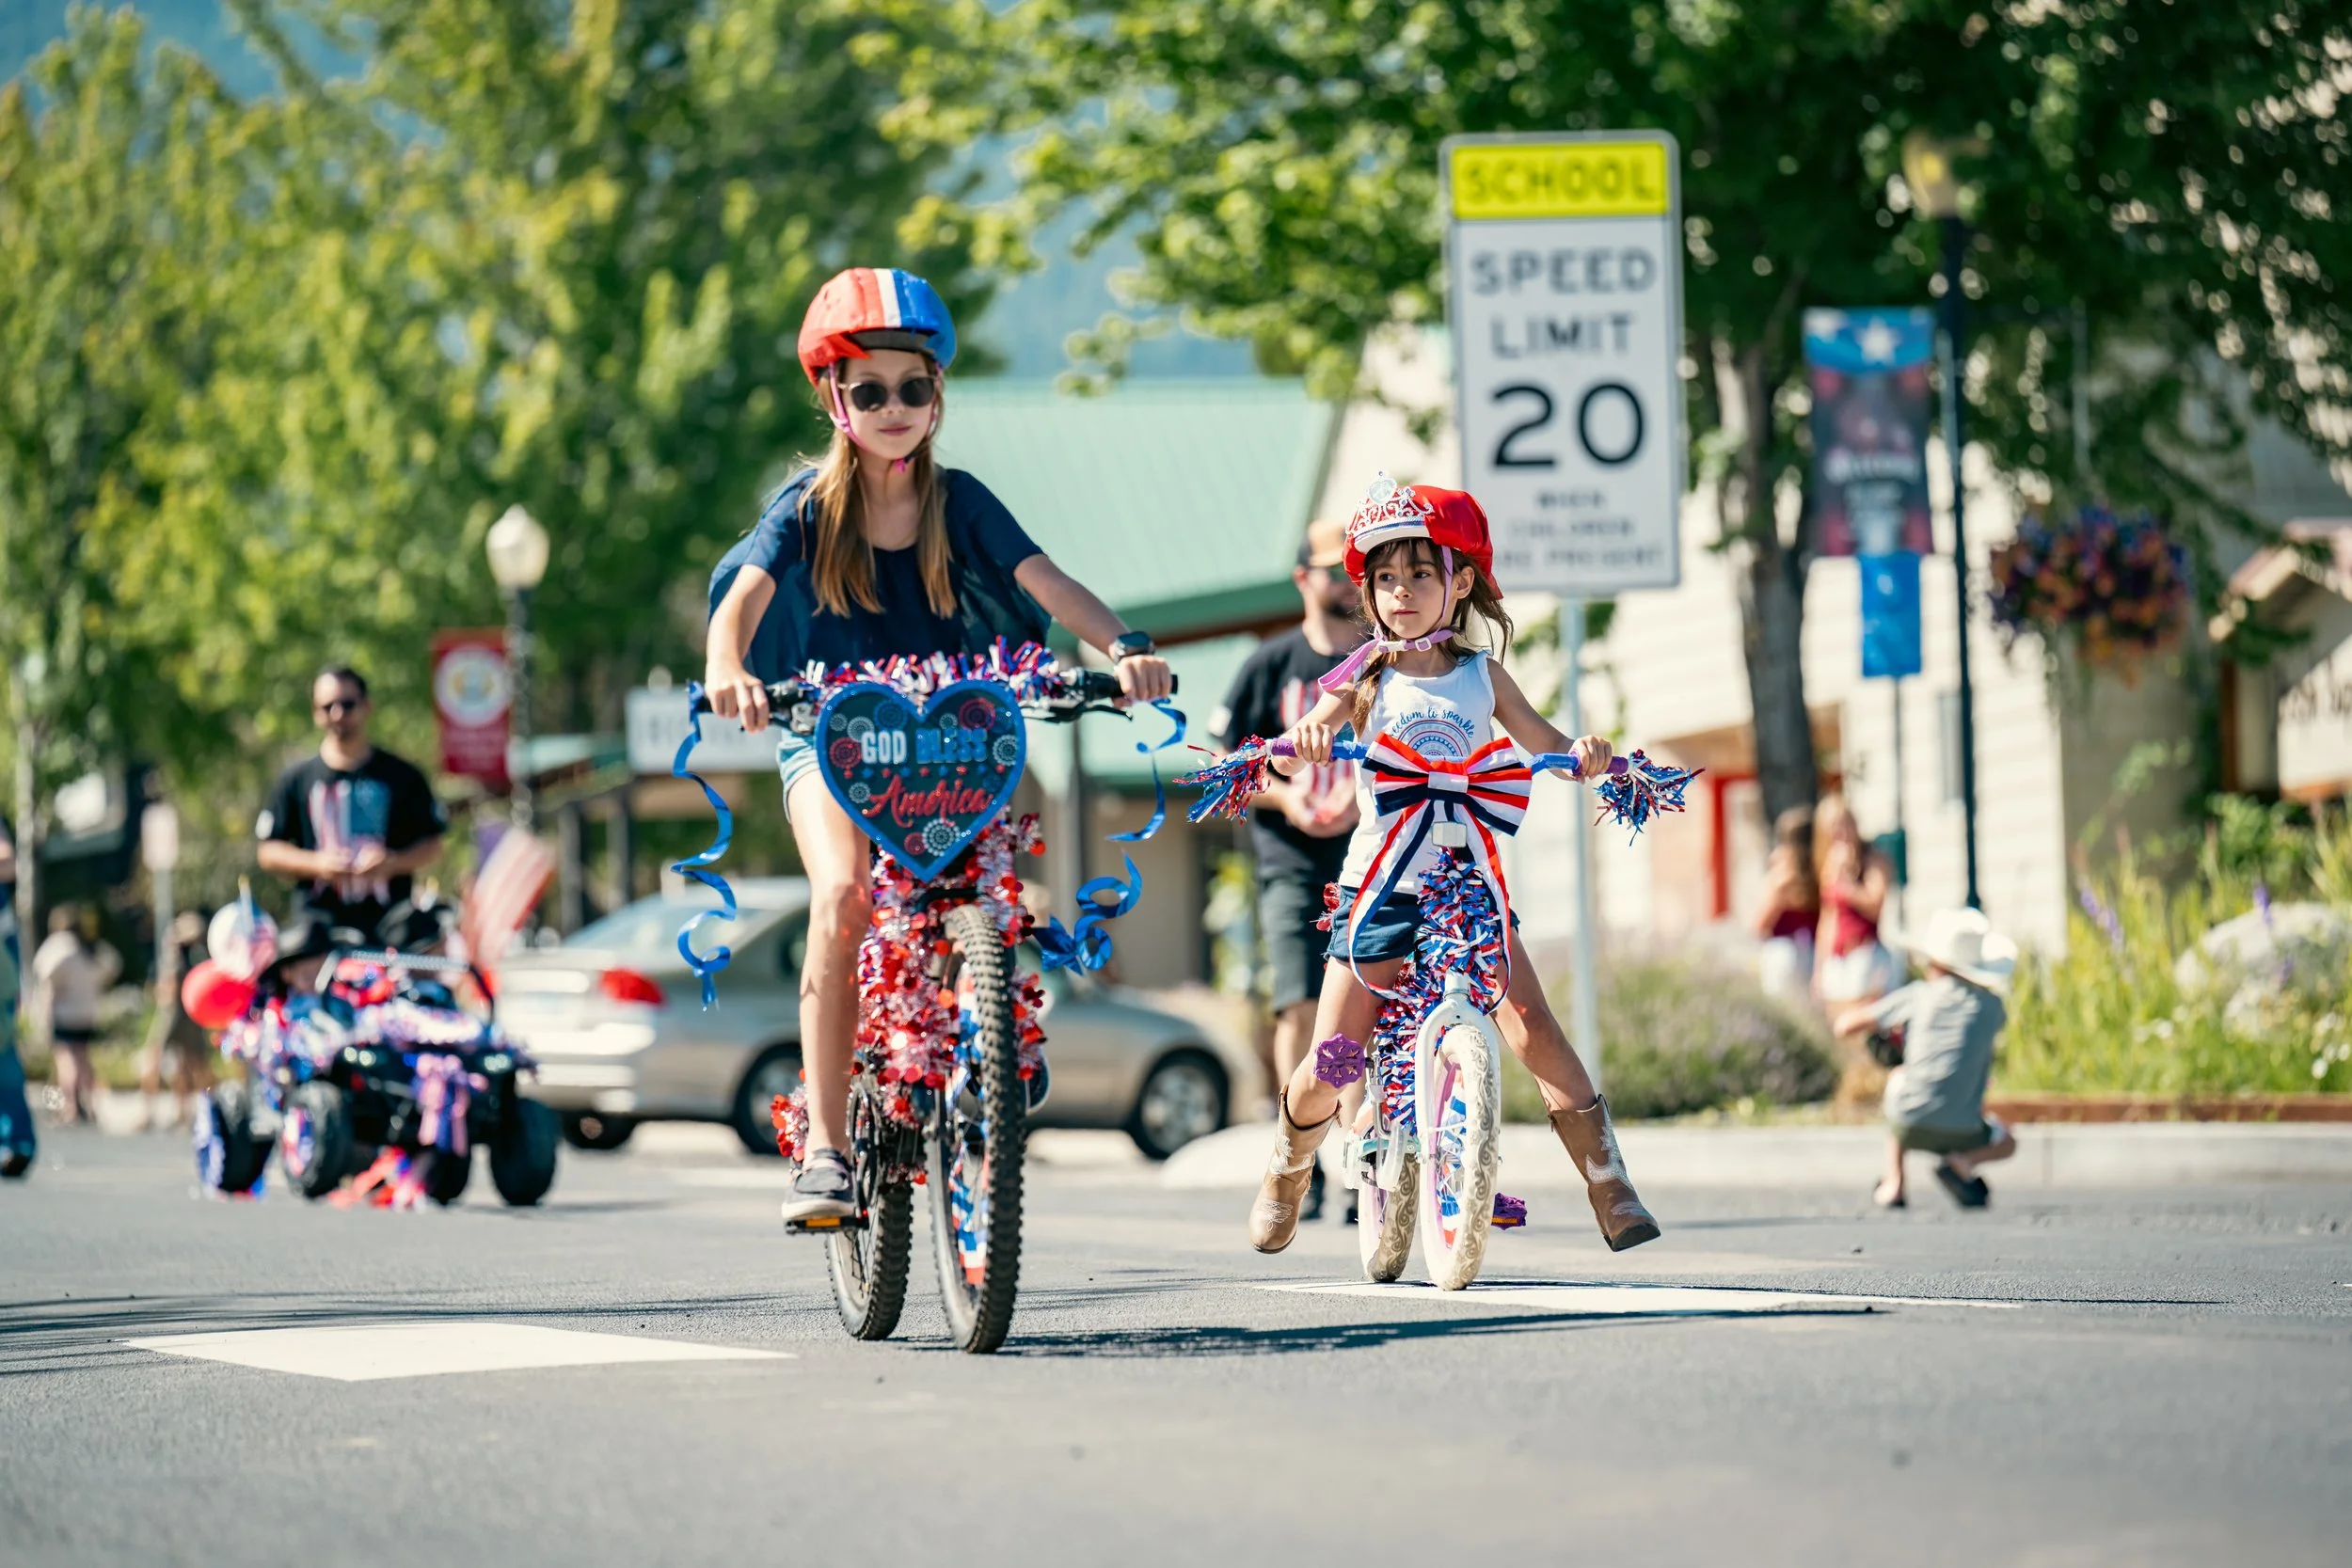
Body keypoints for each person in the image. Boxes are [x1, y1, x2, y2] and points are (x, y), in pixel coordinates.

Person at [703, 266, 1173, 1226]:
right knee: (840, 896)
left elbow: (1048, 584)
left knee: (994, 896)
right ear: (832, 398)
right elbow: (746, 600)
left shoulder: (961, 503)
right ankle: (826, 1150)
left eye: (912, 387)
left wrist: (1122, 647)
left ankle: (990, 1049)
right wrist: (727, 664)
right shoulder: (804, 509)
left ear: (936, 396)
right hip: (829, 738)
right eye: (867, 389)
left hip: (947, 737)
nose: (892, 406)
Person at [1245, 474, 1661, 1255]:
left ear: (1459, 582)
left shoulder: (1482, 675)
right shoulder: (1363, 672)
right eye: (1385, 579)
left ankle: (1610, 1183)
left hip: (1469, 886)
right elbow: (1310, 727)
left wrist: (1583, 755)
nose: (1401, 593)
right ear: (1367, 594)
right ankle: (1289, 1161)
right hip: (1382, 889)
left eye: (1421, 574)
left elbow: (1543, 741)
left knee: (1534, 1022)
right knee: (1332, 1058)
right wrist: (1302, 742)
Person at [1210, 515, 1363, 1222]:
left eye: (1357, 570)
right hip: (1289, 861)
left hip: (1371, 855)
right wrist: (1287, 797)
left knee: (1370, 1007)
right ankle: (1302, 1150)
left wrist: (1360, 804)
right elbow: (1219, 766)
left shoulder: (1380, 661)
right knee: (1301, 1006)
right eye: (1336, 570)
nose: (1349, 583)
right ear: (1304, 577)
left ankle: (1366, 1155)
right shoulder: (1268, 665)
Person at [1835, 906, 2019, 1209]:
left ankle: (1894, 1181)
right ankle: (1962, 1162)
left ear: (1934, 961)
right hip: (1966, 1127)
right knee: (2009, 1141)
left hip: (1909, 1120)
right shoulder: (1993, 1007)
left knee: (1899, 1078)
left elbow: (1845, 1027)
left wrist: (1876, 1012)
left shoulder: (1920, 995)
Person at [256, 667, 448, 948]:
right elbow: (268, 851)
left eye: (347, 704)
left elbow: (432, 844)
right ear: (315, 712)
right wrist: (319, 864)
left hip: (391, 927)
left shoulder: (402, 775)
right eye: (327, 706)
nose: (337, 714)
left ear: (366, 706)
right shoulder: (296, 780)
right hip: (318, 929)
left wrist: (391, 863)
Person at [32, 904, 119, 1125]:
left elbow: (43, 971)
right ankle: (89, 1104)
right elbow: (113, 964)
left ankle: (71, 1107)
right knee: (84, 1059)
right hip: (88, 1010)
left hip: (64, 1011)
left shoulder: (59, 946)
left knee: (67, 1059)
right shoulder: (90, 947)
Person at [139, 911, 214, 1130]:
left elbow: (167, 990)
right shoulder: (199, 956)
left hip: (172, 1014)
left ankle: (149, 1112)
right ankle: (188, 1111)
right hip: (193, 1014)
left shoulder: (175, 957)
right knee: (193, 1064)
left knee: (155, 1059)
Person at [1754, 805, 1820, 1003]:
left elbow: (1760, 925)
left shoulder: (1782, 877)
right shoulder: (1821, 876)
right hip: (1812, 953)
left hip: (1784, 953)